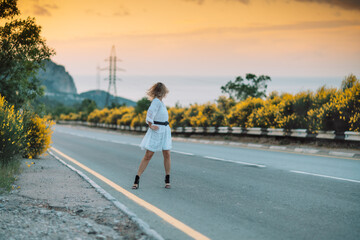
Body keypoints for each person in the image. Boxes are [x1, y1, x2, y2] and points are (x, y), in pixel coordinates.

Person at [132, 82, 172, 189]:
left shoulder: (160, 102)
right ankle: (137, 178)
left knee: (167, 153)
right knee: (148, 155)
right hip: (157, 130)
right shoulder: (156, 102)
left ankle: (167, 179)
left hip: (165, 130)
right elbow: (150, 114)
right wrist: (151, 125)